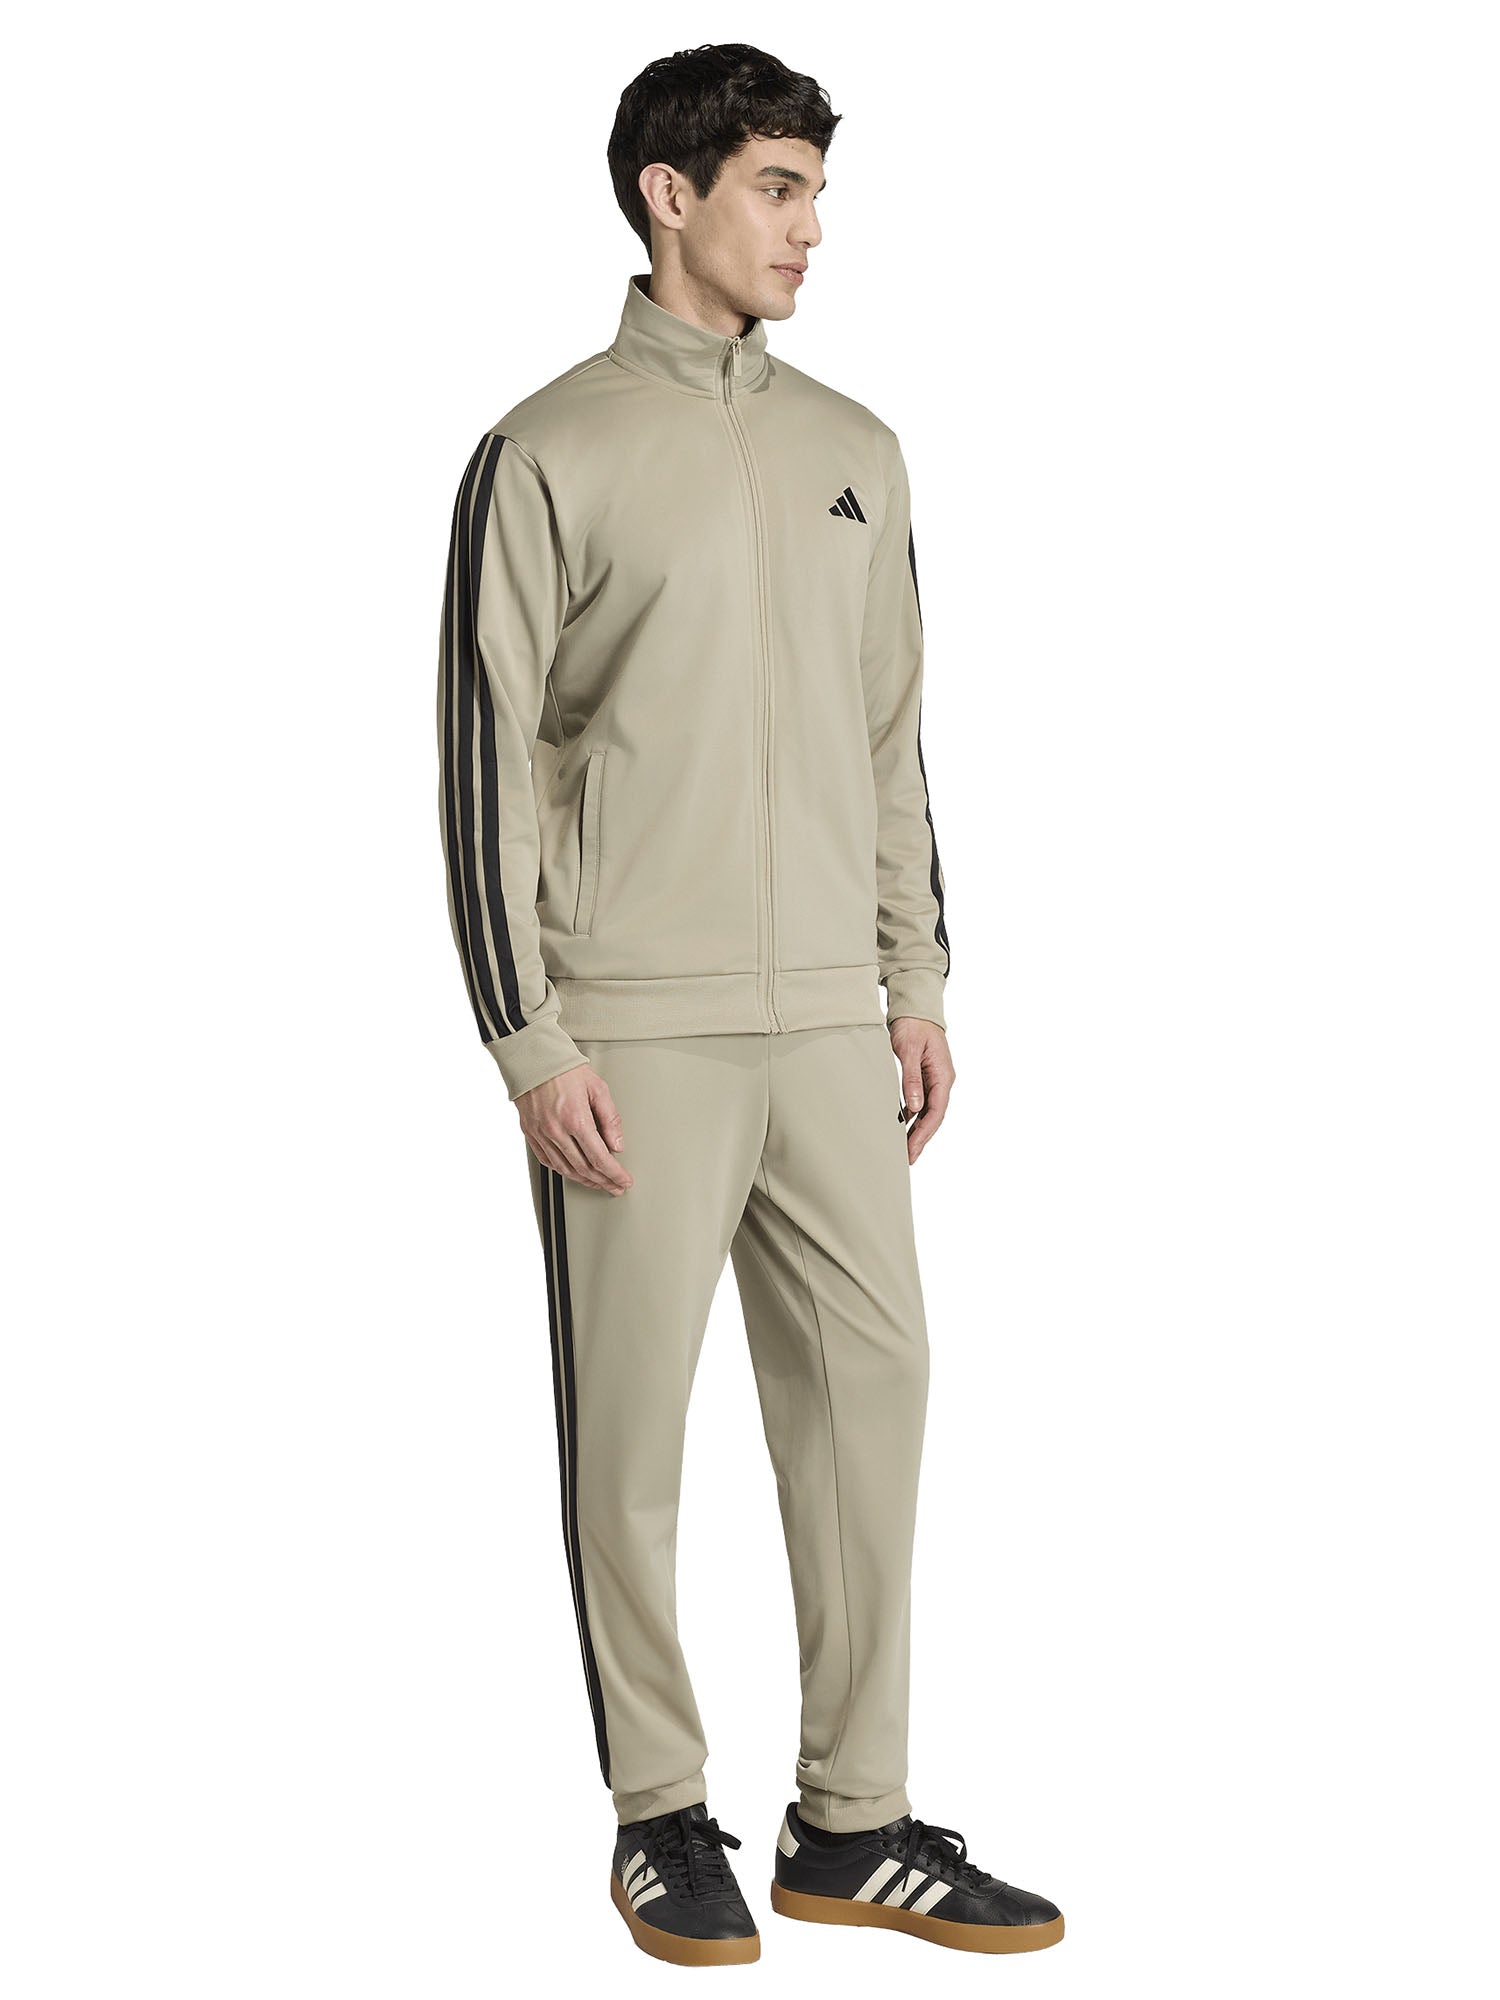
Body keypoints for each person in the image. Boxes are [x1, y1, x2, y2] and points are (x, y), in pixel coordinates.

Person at [436, 42, 1063, 1966]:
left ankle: (850, 1823)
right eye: (778, 189)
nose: (809, 230)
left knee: (875, 1396)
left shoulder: (856, 450)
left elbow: (892, 737)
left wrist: (914, 977)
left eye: (814, 192)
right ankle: (659, 1815)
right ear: (670, 194)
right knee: (631, 1441)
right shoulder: (546, 449)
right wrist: (532, 1039)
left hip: (829, 1026)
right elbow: (484, 760)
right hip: (634, 1026)